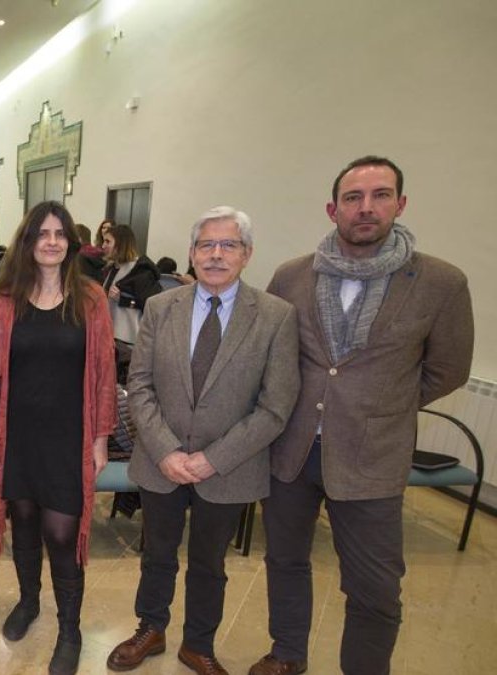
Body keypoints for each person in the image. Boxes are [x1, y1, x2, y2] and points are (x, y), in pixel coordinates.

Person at [249, 156, 474, 675]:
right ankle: (287, 654)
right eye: (353, 198)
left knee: (375, 586)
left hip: (373, 458)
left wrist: (380, 404)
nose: (366, 207)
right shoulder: (292, 275)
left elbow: (449, 369)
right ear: (334, 209)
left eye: (380, 195)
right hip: (293, 451)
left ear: (400, 204)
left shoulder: (440, 282)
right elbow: (277, 358)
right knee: (284, 561)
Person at [107, 206, 300, 675]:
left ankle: (198, 644)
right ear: (192, 253)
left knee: (209, 562)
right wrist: (167, 451)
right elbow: (142, 384)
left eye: (228, 245)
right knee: (156, 553)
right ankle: (150, 629)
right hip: (161, 462)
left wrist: (213, 459)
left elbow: (276, 406)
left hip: (230, 467)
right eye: (206, 245)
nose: (216, 255)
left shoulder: (275, 316)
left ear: (247, 254)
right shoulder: (160, 308)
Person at [0, 201, 117, 675]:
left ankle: (69, 628)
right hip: (17, 435)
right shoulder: (3, 301)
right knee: (26, 520)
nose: (51, 241)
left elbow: (103, 374)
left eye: (59, 234)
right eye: (41, 234)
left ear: (71, 242)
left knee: (62, 532)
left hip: (67, 437)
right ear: (28, 242)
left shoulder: (92, 300)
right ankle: (29, 601)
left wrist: (99, 440)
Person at [100, 224, 163, 346]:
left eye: (108, 242)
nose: (103, 246)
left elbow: (153, 306)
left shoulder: (141, 271)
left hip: (129, 341)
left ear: (120, 244)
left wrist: (123, 300)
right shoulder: (111, 269)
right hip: (110, 336)